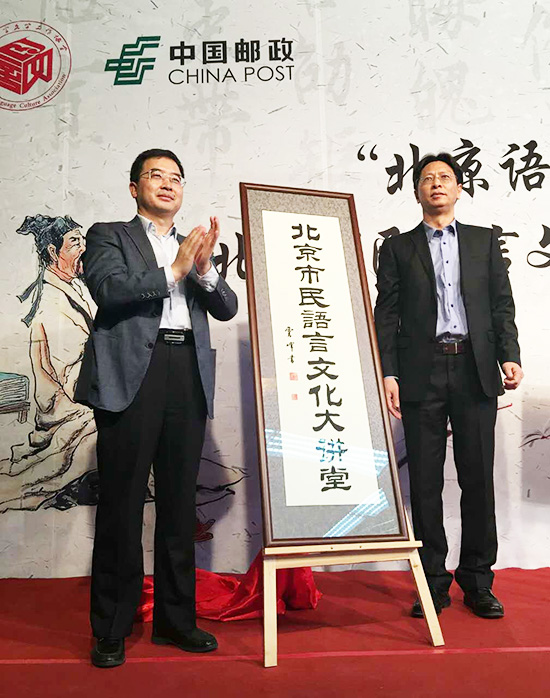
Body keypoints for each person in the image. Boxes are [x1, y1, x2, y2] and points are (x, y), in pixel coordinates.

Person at [75, 148, 238, 667]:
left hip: (185, 371)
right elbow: (109, 290)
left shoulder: (194, 245)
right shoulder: (109, 235)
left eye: (176, 178)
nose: (168, 184)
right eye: (155, 176)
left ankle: (176, 621)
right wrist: (175, 269)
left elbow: (226, 307)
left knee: (178, 505)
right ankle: (112, 627)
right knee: (121, 505)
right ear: (134, 188)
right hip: (132, 375)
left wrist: (204, 270)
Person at [374, 152, 523, 620]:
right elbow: (386, 315)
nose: (436, 183)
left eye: (445, 177)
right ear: (417, 191)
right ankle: (432, 583)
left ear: (459, 188)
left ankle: (478, 581)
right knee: (424, 482)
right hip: (421, 371)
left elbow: (501, 304)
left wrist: (510, 354)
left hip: (474, 369)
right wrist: (389, 372)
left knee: (477, 478)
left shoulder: (483, 241)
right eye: (427, 178)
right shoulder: (397, 248)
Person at [0, 215, 97, 512]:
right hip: (69, 410)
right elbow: (72, 378)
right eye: (75, 242)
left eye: (83, 240)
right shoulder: (52, 303)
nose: (84, 248)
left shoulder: (74, 286)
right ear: (54, 252)